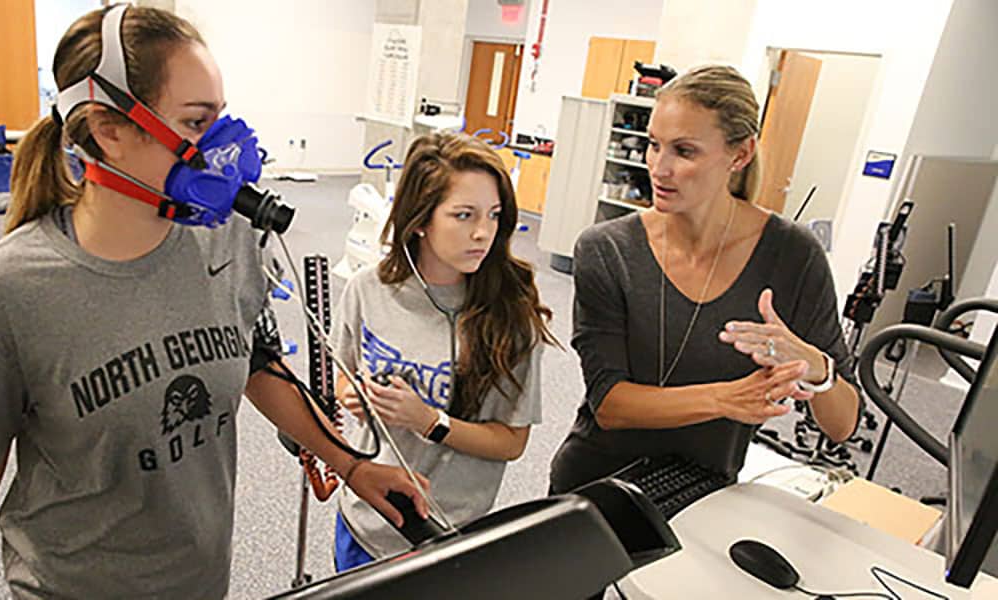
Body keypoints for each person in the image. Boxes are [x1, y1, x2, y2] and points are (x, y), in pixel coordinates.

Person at [0, 6, 426, 599]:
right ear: (108, 129)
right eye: (195, 123)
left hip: (198, 579)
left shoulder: (229, 237)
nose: (221, 147)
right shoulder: (7, 292)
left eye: (220, 117)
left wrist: (352, 464)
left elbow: (254, 363)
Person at [549, 65, 861, 495]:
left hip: (703, 493)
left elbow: (843, 424)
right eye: (654, 146)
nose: (660, 167)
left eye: (685, 151)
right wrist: (725, 399)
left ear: (740, 154)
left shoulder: (793, 255)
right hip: (598, 487)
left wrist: (815, 365)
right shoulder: (608, 249)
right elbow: (609, 404)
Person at [329, 132, 559, 571]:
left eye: (493, 216)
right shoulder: (368, 290)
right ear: (420, 219)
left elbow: (511, 442)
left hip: (448, 534)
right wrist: (350, 393)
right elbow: (344, 376)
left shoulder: (510, 313)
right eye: (463, 215)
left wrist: (428, 421)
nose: (483, 233)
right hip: (367, 520)